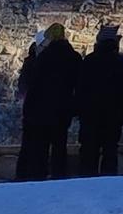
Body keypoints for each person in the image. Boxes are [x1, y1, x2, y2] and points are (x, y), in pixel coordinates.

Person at [14, 23, 77, 180]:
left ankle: (38, 175)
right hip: (63, 109)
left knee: (40, 145)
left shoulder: (44, 57)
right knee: (59, 144)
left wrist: (30, 107)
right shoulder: (73, 57)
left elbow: (35, 84)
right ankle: (59, 174)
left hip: (42, 109)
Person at [76, 21, 123, 178]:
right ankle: (108, 182)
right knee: (110, 150)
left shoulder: (89, 60)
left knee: (89, 151)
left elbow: (81, 87)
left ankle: (86, 179)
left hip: (90, 113)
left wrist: (80, 108)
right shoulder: (119, 63)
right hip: (112, 114)